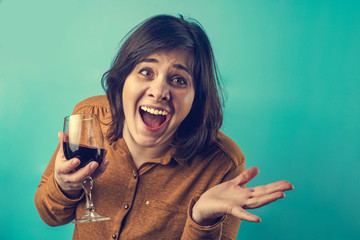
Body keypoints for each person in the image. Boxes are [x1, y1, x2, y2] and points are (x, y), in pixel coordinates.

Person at [34, 14, 294, 239]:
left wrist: (201, 219)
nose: (159, 92)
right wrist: (64, 186)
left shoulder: (223, 163)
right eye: (146, 72)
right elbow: (50, 215)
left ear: (196, 97)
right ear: (123, 78)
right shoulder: (88, 117)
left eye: (179, 80)